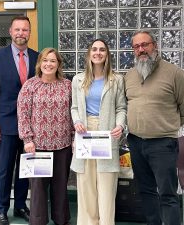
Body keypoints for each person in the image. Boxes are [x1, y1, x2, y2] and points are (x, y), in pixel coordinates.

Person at [125, 29, 184, 225]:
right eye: (136, 46)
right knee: (146, 191)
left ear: (154, 46)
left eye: (145, 44)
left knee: (167, 194)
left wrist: (168, 126)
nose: (141, 50)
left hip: (163, 144)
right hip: (136, 142)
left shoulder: (174, 73)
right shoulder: (129, 76)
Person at [0, 16, 39, 225]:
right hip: (5, 123)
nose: (21, 33)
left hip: (31, 125)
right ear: (10, 31)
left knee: (26, 167)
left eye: (25, 30)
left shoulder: (37, 57)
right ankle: (1, 210)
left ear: (29, 33)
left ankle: (20, 206)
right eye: (17, 29)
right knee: (5, 169)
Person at [71, 39, 127, 225]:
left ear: (107, 54)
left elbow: (121, 108)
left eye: (102, 50)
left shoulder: (117, 80)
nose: (98, 53)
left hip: (107, 132)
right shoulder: (78, 80)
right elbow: (74, 107)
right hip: (85, 132)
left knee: (106, 185)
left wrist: (120, 125)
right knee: (86, 185)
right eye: (94, 49)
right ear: (89, 54)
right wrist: (77, 121)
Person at [17, 48, 73, 225]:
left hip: (62, 145)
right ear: (39, 64)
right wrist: (27, 139)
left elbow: (73, 112)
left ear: (58, 65)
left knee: (60, 186)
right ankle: (38, 221)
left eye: (53, 61)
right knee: (39, 190)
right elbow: (23, 113)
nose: (49, 64)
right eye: (45, 60)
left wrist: (73, 138)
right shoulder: (30, 85)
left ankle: (61, 219)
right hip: (38, 146)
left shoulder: (67, 85)